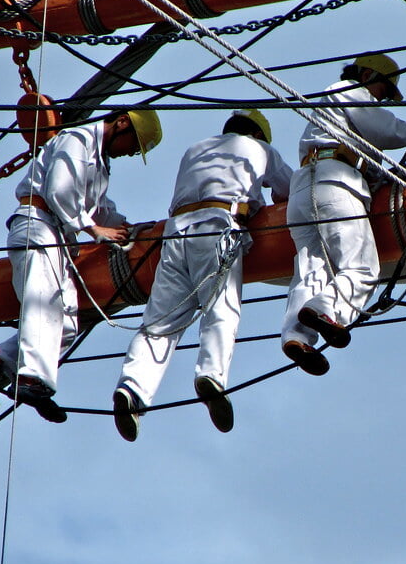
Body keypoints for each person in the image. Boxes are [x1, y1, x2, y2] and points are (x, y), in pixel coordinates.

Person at [0, 108, 162, 423]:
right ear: (122, 123)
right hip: (37, 225)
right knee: (43, 299)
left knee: (69, 320)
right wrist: (92, 229)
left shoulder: (100, 164)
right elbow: (59, 189)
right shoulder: (77, 139)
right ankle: (32, 379)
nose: (129, 154)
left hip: (57, 235)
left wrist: (135, 229)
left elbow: (100, 209)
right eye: (133, 145)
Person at [112, 110, 292, 441]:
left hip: (175, 234)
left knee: (159, 322)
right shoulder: (261, 150)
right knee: (220, 308)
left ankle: (132, 389)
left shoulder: (194, 150)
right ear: (257, 134)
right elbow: (289, 192)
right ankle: (211, 375)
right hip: (218, 226)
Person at [281, 53, 406, 376]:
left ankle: (296, 337)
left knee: (311, 271)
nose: (382, 99)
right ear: (366, 75)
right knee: (361, 267)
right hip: (336, 181)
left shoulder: (338, 122)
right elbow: (385, 128)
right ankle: (324, 309)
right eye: (384, 90)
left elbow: (379, 173)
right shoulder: (348, 89)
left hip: (305, 188)